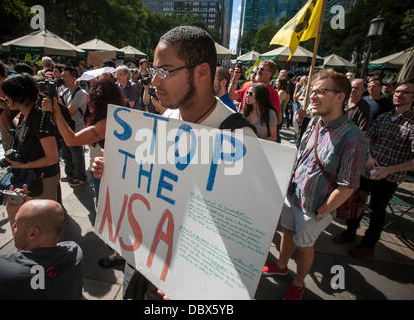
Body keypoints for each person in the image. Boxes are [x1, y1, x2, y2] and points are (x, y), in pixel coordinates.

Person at [92, 26, 256, 298]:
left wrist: (196, 288)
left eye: (165, 71)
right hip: (145, 256)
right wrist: (115, 171)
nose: (155, 81)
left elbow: (241, 231)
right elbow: (153, 180)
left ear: (202, 72)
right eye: (154, 71)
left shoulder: (237, 135)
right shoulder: (168, 115)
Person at [262, 69, 368, 300]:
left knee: (304, 246)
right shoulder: (315, 122)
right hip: (293, 196)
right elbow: (301, 156)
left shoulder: (353, 138)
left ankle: (299, 284)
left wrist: (321, 213)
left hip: (315, 208)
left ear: (340, 96)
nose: (312, 96)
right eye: (313, 91)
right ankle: (281, 265)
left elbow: (347, 187)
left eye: (321, 91)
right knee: (287, 233)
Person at [335, 79, 414, 258]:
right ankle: (350, 231)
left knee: (376, 210)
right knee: (356, 201)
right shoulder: (384, 117)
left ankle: (368, 244)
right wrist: (369, 157)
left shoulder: (411, 124)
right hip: (367, 168)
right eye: (398, 91)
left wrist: (389, 170)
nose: (399, 95)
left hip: (389, 176)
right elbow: (368, 138)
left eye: (405, 92)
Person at [0, 187, 84, 299]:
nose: (13, 225)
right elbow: (34, 261)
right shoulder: (75, 254)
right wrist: (20, 214)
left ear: (33, 234)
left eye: (17, 223)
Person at [43, 78, 125, 204]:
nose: (88, 101)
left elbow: (71, 140)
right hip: (105, 173)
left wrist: (56, 112)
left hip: (104, 176)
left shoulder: (105, 123)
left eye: (92, 98)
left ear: (101, 101)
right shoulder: (115, 117)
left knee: (102, 210)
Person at [1, 73, 60, 201]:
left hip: (43, 178)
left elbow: (53, 158)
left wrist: (23, 165)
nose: (5, 98)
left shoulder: (40, 119)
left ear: (20, 96)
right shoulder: (23, 115)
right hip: (31, 176)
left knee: (44, 218)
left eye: (8, 95)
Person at [59, 67, 88, 188]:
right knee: (66, 154)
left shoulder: (81, 93)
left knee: (76, 153)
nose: (62, 78)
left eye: (65, 76)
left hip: (77, 128)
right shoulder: (65, 92)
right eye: (62, 75)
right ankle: (70, 174)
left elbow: (70, 110)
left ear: (74, 78)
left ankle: (80, 176)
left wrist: (56, 104)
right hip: (66, 127)